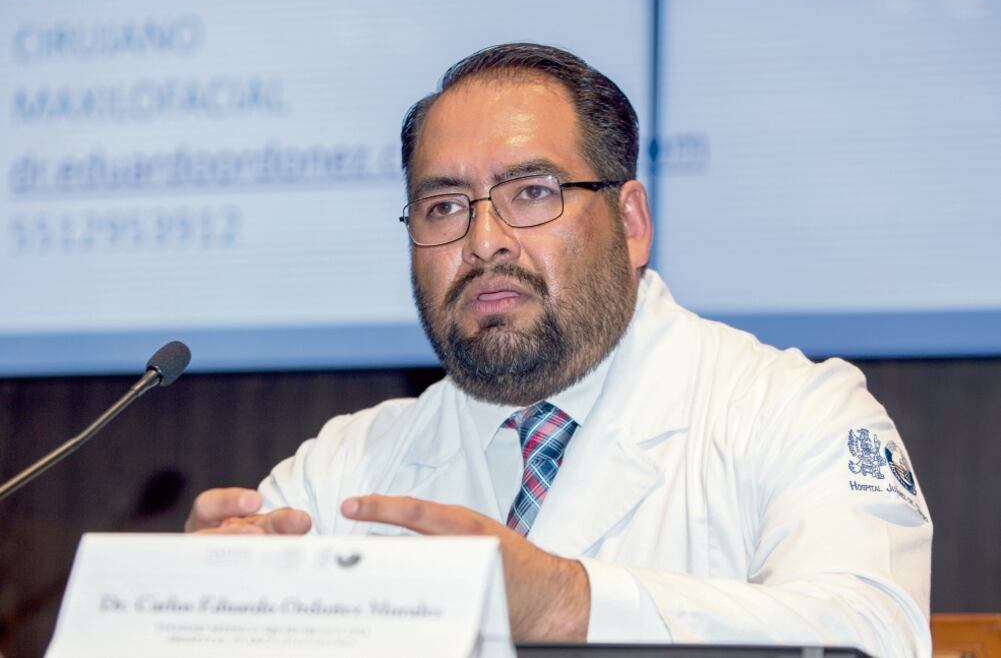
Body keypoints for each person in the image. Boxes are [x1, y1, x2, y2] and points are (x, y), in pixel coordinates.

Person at [185, 43, 932, 656]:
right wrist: (195, 614)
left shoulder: (795, 412)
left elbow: (873, 632)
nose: (483, 241)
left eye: (532, 192)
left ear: (630, 220)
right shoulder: (343, 466)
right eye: (443, 206)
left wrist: (569, 604)